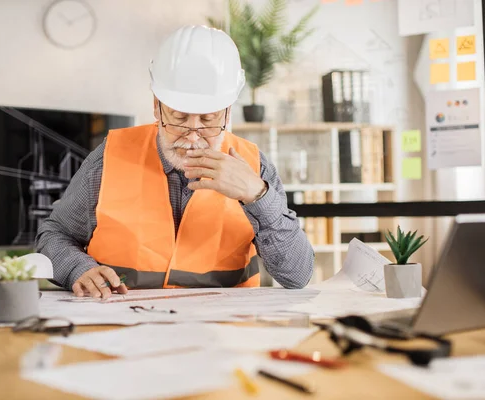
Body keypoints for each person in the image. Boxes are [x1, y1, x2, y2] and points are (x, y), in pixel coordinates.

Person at [36, 25, 314, 298]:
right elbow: (53, 235)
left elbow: (297, 275)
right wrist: (77, 268)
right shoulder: (108, 158)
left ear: (228, 112)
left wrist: (258, 195)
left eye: (208, 119)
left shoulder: (255, 167)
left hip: (226, 335)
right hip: (126, 331)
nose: (193, 136)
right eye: (179, 117)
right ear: (156, 105)